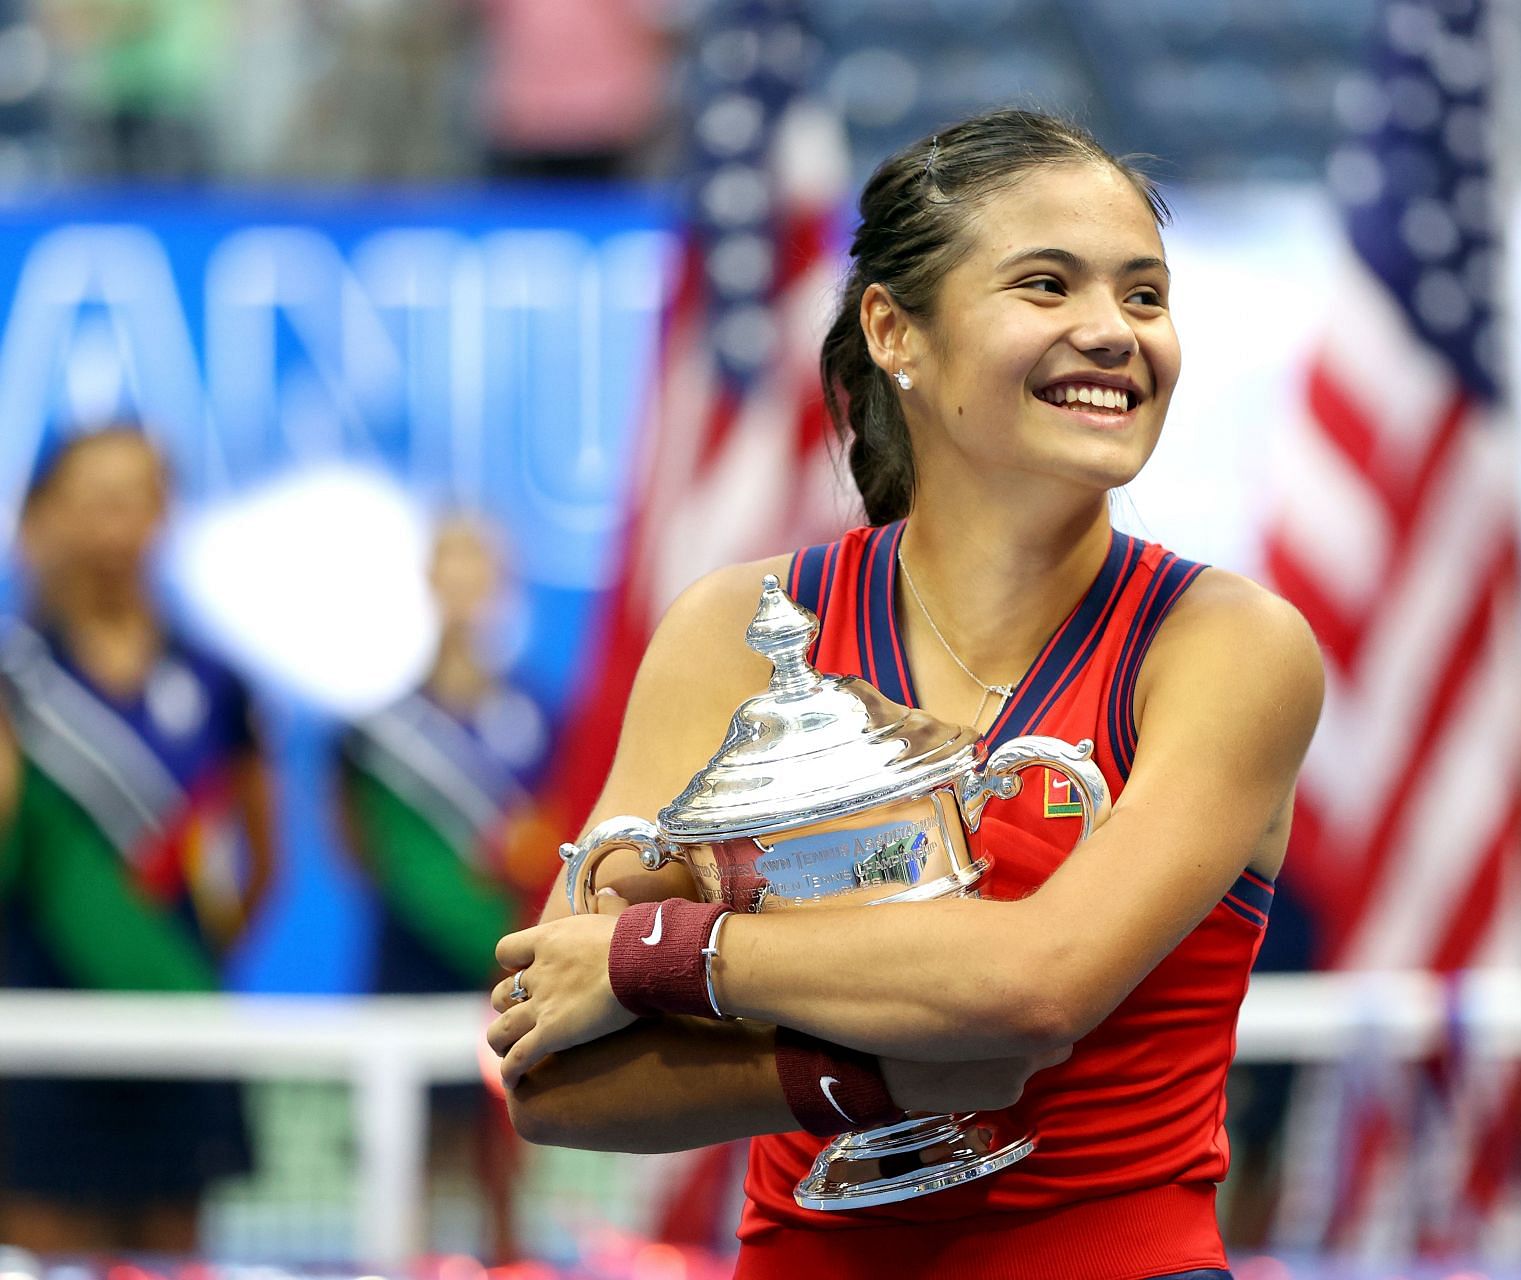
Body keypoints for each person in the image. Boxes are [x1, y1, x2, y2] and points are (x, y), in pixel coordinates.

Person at [481, 109, 1323, 1279]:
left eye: (1144, 295)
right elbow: (548, 1070)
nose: (1113, 332)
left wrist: (659, 952)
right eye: (1046, 285)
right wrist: (851, 1076)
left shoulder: (1228, 644)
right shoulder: (737, 631)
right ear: (894, 330)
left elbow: (1035, 985)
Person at [0, 426, 275, 1252]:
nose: (112, 523)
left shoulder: (218, 681)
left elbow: (264, 857)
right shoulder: (16, 677)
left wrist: (192, 950)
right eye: (90, 499)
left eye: (133, 497)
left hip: (178, 1015)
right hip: (39, 1026)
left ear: (164, 513)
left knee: (170, 1252)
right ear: (40, 518)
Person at [334, 514, 556, 1261]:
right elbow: (362, 852)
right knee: (412, 1153)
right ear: (429, 581)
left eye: (479, 568)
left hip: (515, 969)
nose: (464, 585)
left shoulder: (542, 715)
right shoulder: (377, 734)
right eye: (450, 566)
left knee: (508, 1152)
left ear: (501, 585)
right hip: (412, 966)